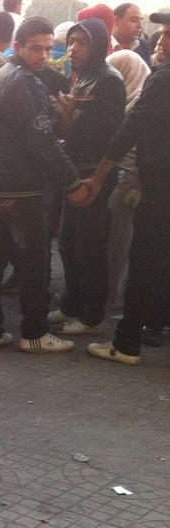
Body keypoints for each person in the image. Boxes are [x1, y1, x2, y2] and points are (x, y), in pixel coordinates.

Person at [0, 17, 91, 355]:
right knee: (35, 262)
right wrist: (73, 182)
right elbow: (43, 143)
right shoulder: (27, 83)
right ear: (20, 46)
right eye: (36, 47)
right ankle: (35, 332)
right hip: (22, 188)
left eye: (46, 47)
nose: (43, 54)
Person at [82, 38, 170, 365]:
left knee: (145, 261)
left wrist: (98, 177)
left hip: (161, 186)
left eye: (167, 34)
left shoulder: (163, 79)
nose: (161, 41)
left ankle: (127, 343)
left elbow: (131, 128)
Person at [48, 18, 126, 336]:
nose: (73, 48)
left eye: (82, 42)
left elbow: (108, 130)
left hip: (96, 174)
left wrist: (69, 114)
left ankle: (92, 314)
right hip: (74, 170)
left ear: (97, 46)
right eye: (71, 41)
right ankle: (72, 302)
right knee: (67, 243)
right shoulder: (79, 77)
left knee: (89, 245)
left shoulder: (109, 79)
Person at [103, 50, 150, 311]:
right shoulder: (139, 97)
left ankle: (113, 297)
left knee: (119, 241)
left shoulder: (141, 101)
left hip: (130, 180)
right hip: (128, 177)